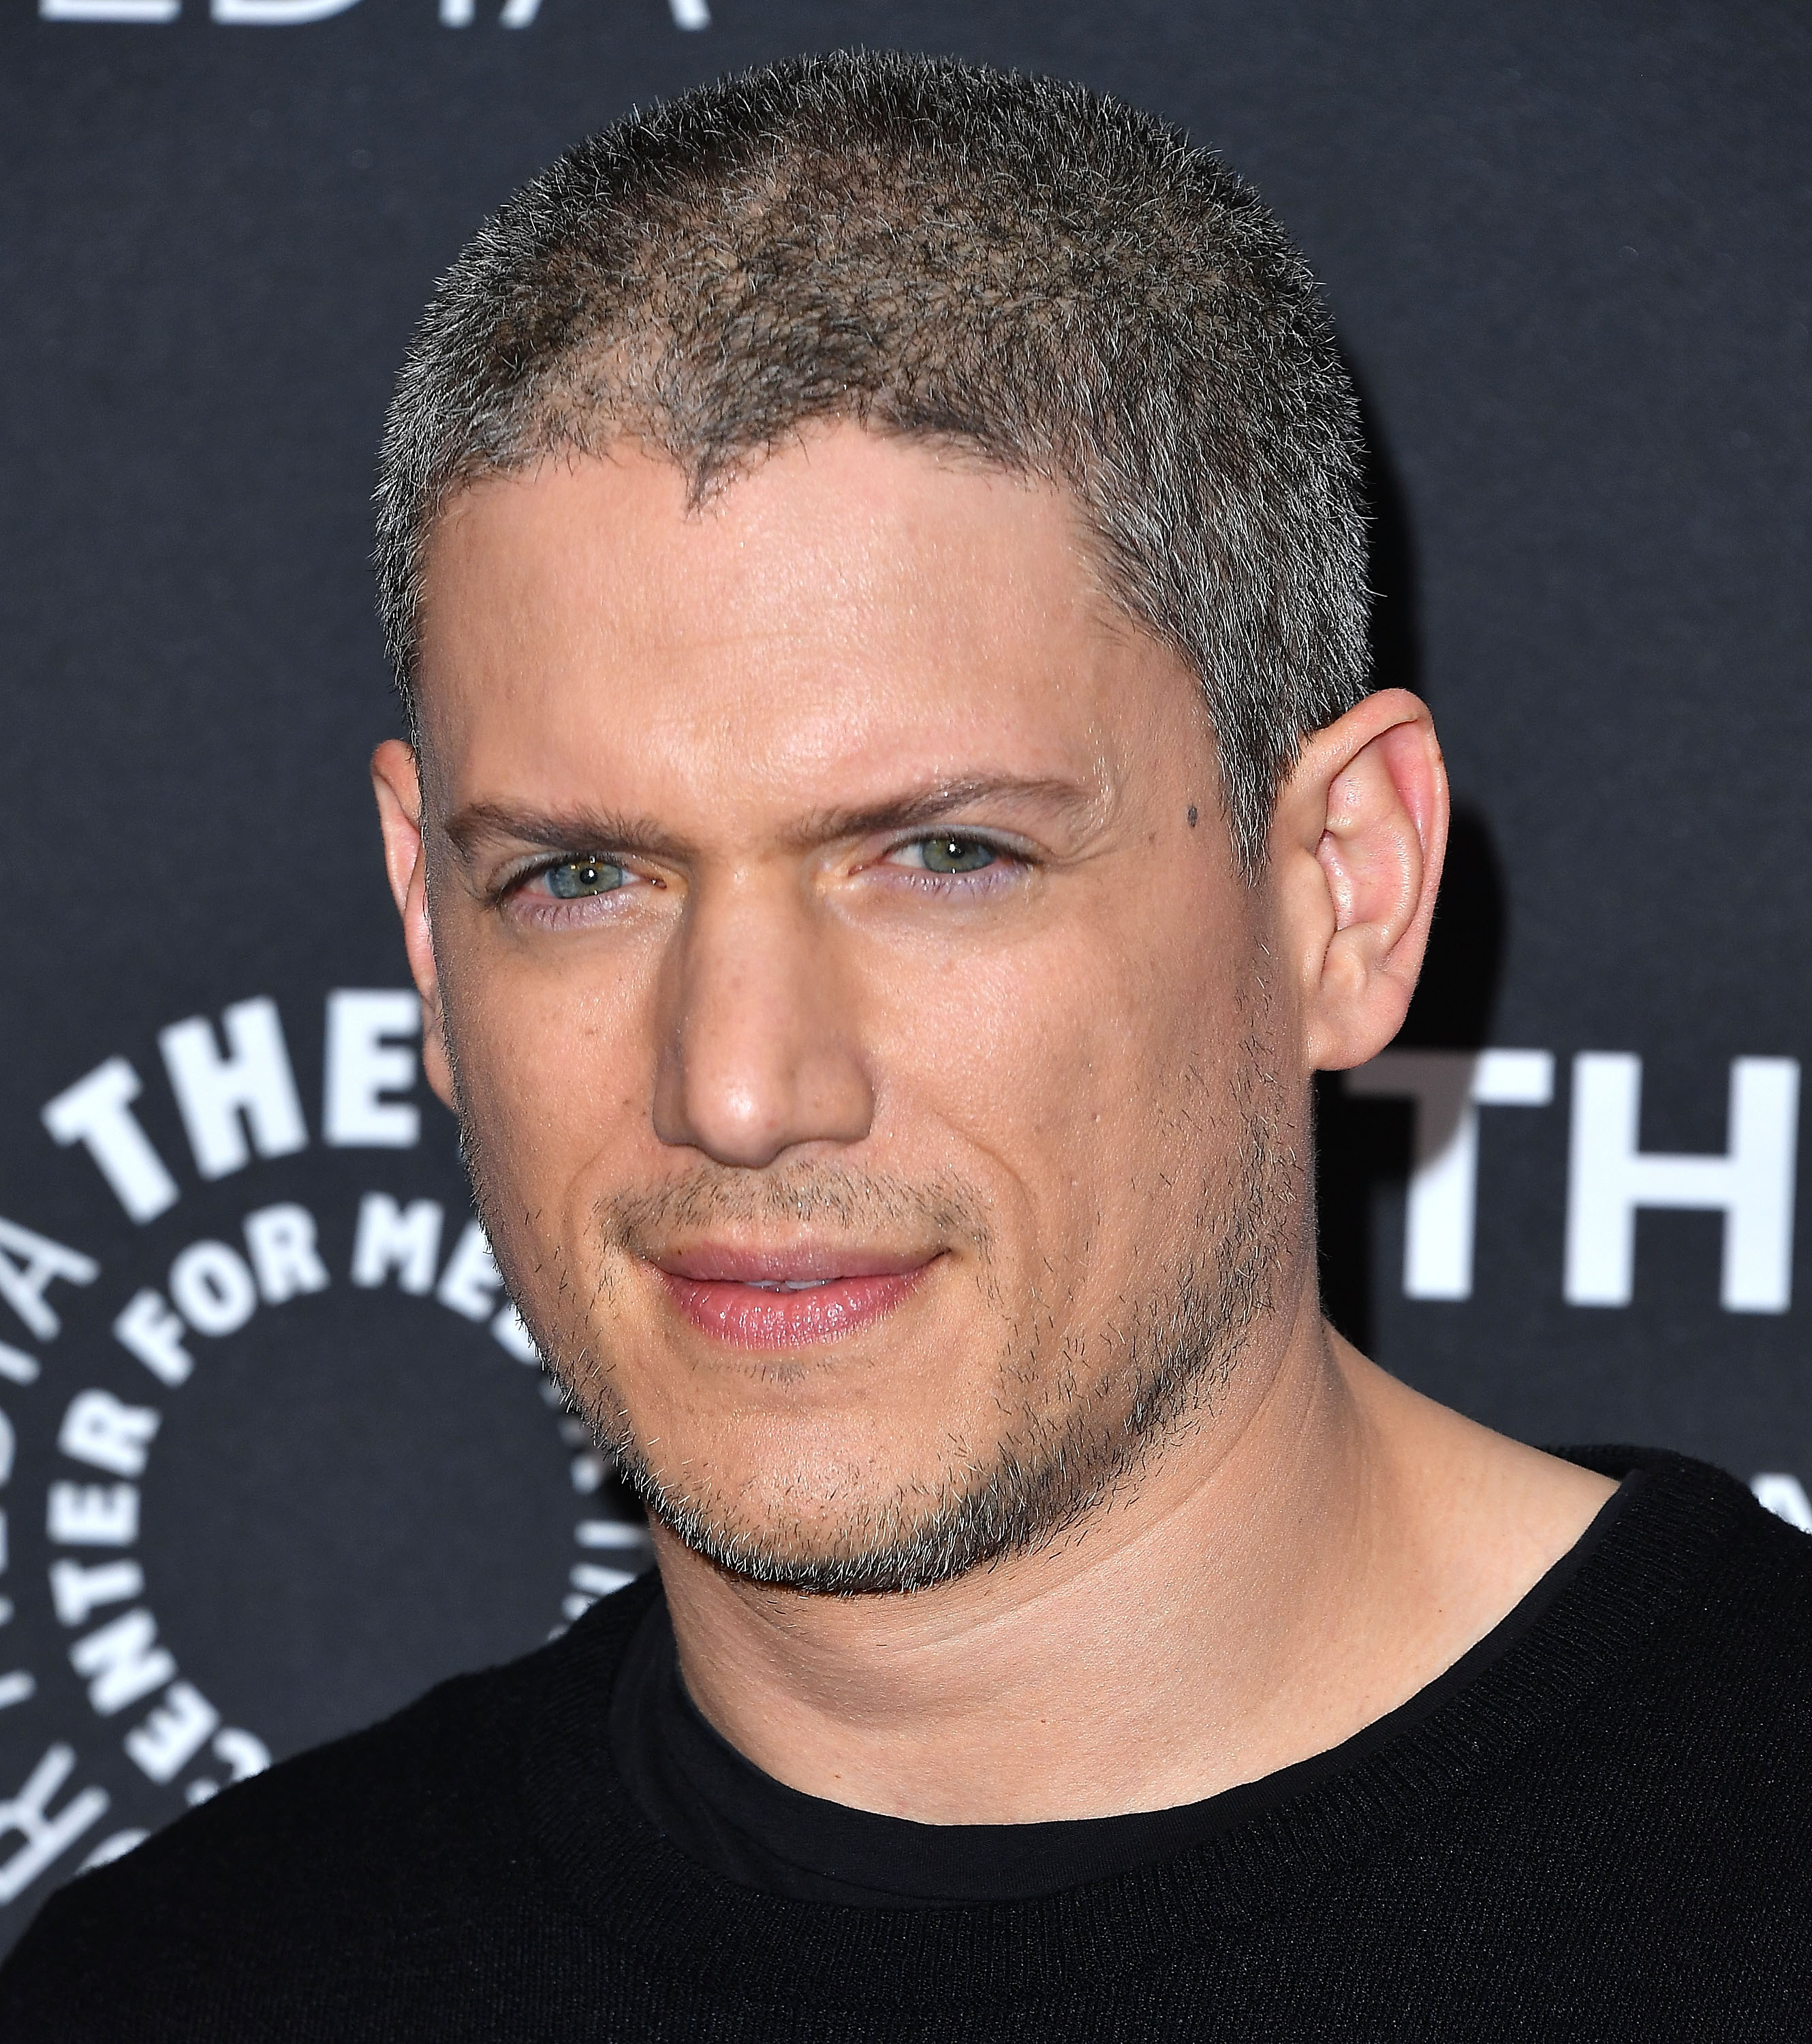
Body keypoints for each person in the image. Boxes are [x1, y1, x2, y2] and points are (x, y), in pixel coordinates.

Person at [3, 48, 1807, 2043]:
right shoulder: (189, 1984)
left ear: (1343, 891)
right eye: (584, 878)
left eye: (942, 856)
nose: (742, 1087)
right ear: (428, 931)